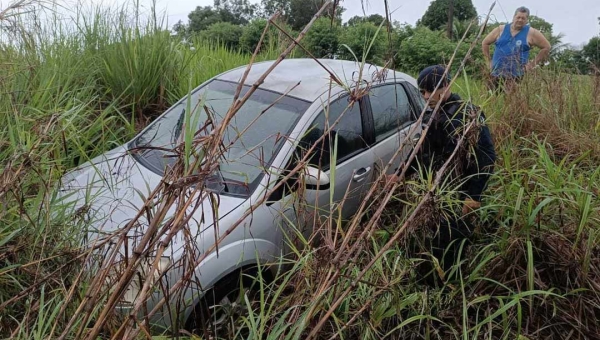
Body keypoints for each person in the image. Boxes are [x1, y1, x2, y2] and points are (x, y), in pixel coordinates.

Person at [482, 6, 551, 91]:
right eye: (518, 17)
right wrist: (488, 61)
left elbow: (546, 47)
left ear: (527, 20)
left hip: (515, 76)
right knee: (491, 99)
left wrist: (532, 64)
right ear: (514, 17)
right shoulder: (501, 29)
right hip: (495, 72)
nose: (520, 20)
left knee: (509, 101)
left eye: (523, 18)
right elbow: (485, 43)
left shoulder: (531, 33)